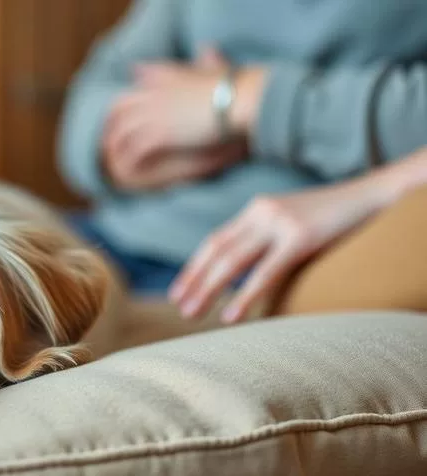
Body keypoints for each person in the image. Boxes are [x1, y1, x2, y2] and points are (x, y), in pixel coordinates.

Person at [58, 0, 427, 323]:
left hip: (246, 277)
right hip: (108, 237)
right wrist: (114, 152)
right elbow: (90, 104)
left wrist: (243, 100)